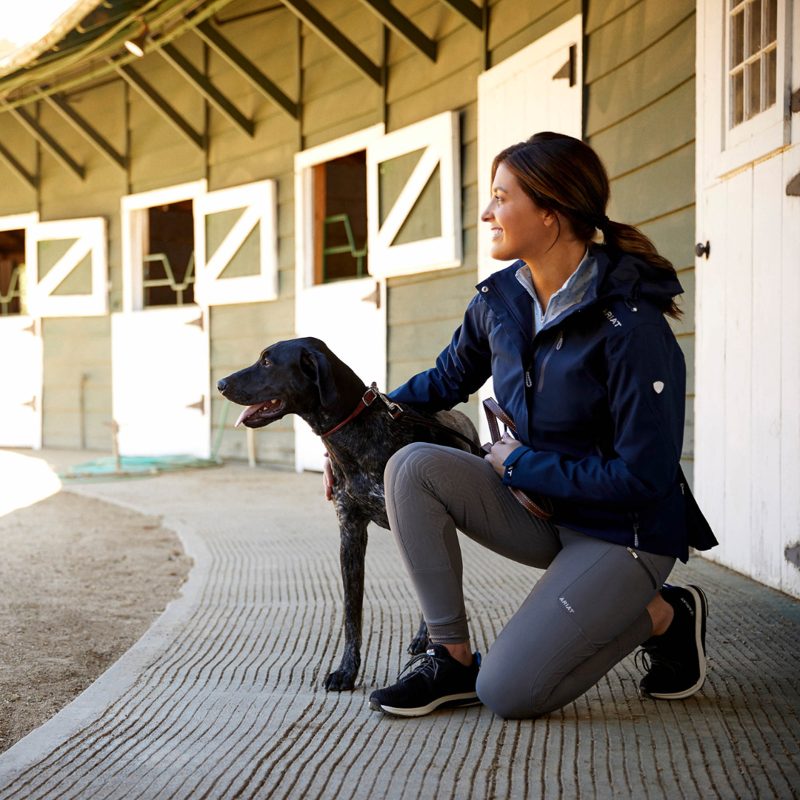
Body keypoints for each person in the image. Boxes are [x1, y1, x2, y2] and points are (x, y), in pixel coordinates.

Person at [323, 132, 717, 720]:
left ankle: (664, 614)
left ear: (551, 214)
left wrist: (520, 463)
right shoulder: (502, 300)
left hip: (621, 532)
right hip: (538, 507)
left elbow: (644, 477)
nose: (487, 212)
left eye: (501, 197)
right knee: (409, 466)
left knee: (509, 691)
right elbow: (444, 380)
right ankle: (449, 656)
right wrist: (348, 439)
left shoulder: (632, 327)